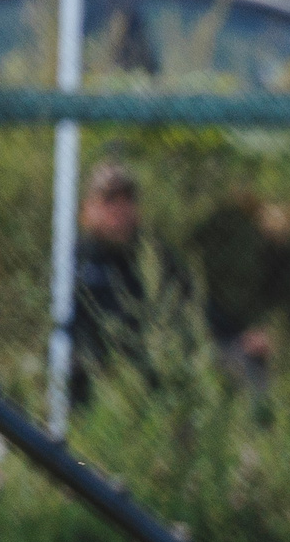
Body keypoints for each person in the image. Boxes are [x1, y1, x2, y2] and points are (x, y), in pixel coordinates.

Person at [70, 160, 269, 404]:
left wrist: (237, 335)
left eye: (128, 199)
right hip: (104, 371)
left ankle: (254, 425)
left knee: (245, 357)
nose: (120, 209)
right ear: (88, 209)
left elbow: (194, 302)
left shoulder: (153, 255)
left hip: (165, 360)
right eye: (110, 199)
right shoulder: (75, 260)